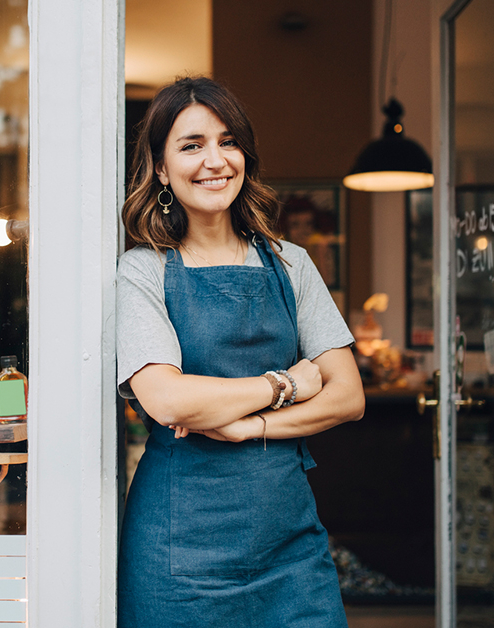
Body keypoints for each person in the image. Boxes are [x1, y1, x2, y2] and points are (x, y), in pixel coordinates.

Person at [116, 77, 366, 627]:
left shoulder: (292, 263)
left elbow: (348, 396)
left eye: (228, 142)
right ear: (160, 167)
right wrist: (288, 384)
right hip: (179, 552)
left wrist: (252, 428)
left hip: (290, 547)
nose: (215, 161)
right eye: (191, 145)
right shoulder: (143, 270)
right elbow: (166, 399)